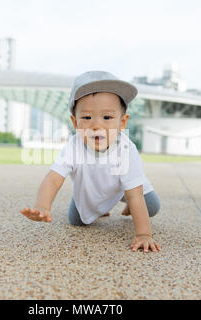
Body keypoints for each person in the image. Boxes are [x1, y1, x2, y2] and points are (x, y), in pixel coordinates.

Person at [20, 71, 161, 253]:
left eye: (107, 117)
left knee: (151, 206)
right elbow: (53, 179)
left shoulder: (126, 150)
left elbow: (135, 194)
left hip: (124, 187)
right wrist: (42, 206)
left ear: (122, 122)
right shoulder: (74, 146)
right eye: (87, 118)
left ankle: (120, 202)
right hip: (92, 188)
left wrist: (144, 234)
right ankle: (96, 204)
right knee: (77, 221)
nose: (96, 125)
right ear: (75, 122)